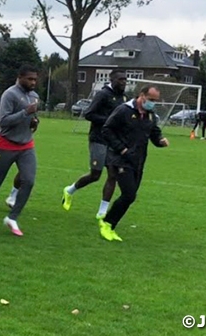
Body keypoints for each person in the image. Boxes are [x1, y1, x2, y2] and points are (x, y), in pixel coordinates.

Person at [99, 85, 169, 242]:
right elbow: (107, 130)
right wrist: (122, 149)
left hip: (138, 161)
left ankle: (109, 223)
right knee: (129, 194)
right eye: (151, 100)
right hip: (120, 159)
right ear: (141, 95)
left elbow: (153, 133)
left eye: (155, 101)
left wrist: (160, 141)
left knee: (130, 196)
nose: (153, 103)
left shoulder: (150, 115)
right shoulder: (123, 110)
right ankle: (107, 224)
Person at [0, 65, 40, 237]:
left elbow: (32, 117)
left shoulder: (34, 96)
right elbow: (3, 122)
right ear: (20, 77)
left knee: (28, 180)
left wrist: (34, 121)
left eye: (35, 79)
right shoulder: (10, 94)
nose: (33, 82)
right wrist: (24, 113)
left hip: (26, 145)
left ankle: (12, 217)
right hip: (7, 144)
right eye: (30, 79)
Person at [62, 69, 128, 218]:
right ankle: (70, 190)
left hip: (114, 142)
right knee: (95, 175)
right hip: (99, 139)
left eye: (125, 79)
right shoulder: (103, 95)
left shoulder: (123, 97)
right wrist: (109, 121)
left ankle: (102, 211)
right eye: (120, 79)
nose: (123, 82)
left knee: (113, 174)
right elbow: (89, 114)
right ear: (112, 80)